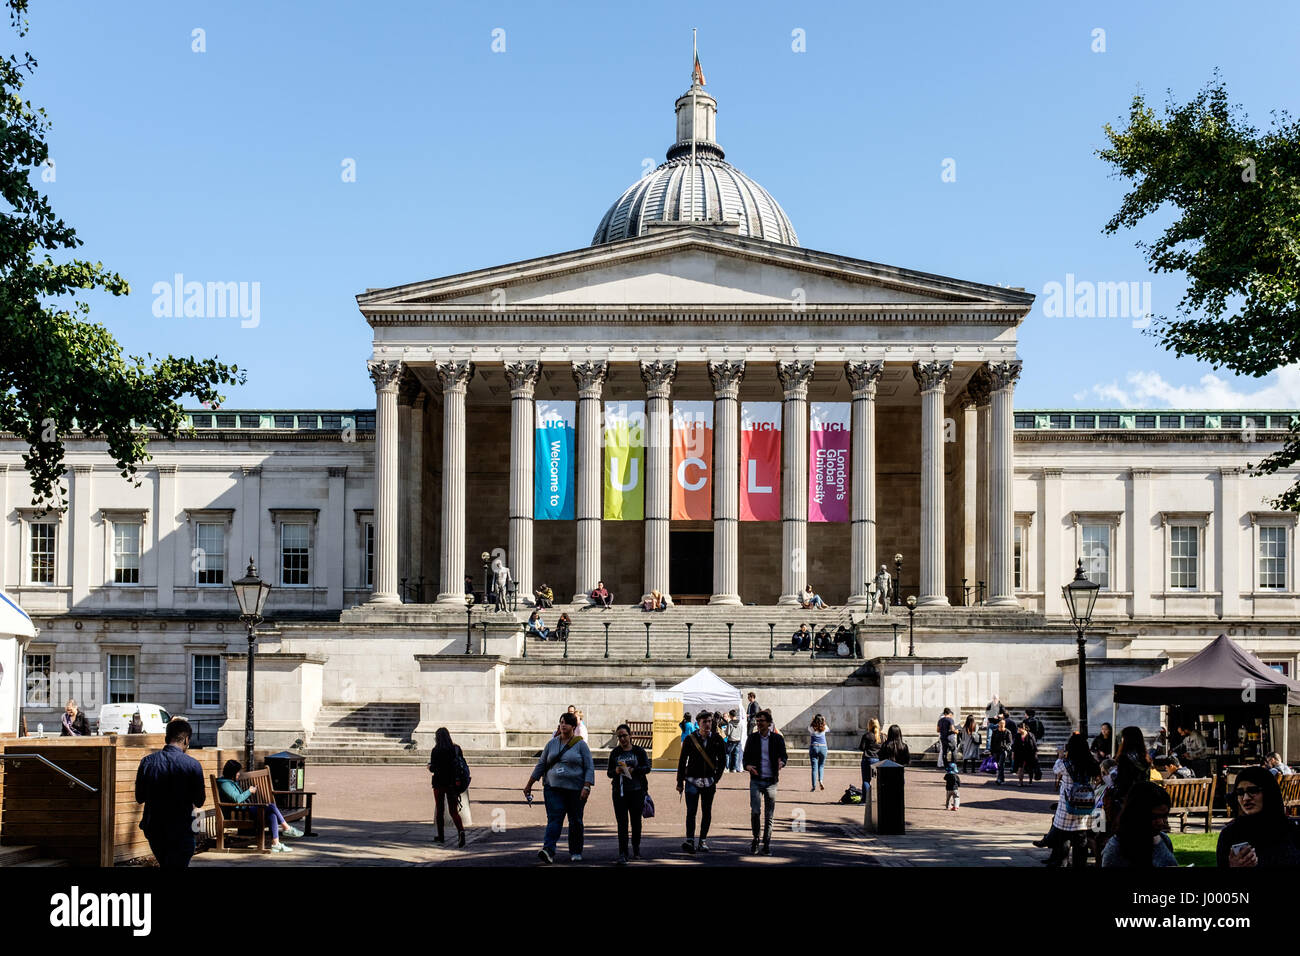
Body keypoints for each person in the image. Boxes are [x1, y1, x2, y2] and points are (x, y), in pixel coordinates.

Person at [134, 718, 205, 869]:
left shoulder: (147, 762)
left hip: (154, 827)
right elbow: (199, 801)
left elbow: (139, 797)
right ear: (186, 740)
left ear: (166, 738)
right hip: (182, 828)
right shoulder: (193, 765)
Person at [525, 712, 595, 864]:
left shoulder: (581, 745)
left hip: (575, 789)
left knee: (575, 820)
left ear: (573, 727)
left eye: (567, 723)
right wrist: (529, 784)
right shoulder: (551, 743)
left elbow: (589, 767)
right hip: (553, 788)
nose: (563, 725)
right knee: (554, 819)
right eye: (561, 722)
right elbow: (541, 764)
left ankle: (576, 850)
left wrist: (587, 786)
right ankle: (548, 850)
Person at [1217, 766, 1300, 867]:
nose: (1246, 798)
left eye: (1253, 790)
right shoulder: (1230, 834)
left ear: (1268, 793)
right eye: (1240, 793)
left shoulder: (1291, 830)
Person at [217, 759, 301, 853]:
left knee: (272, 814)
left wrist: (250, 791)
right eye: (237, 772)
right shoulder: (225, 784)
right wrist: (249, 791)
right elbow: (237, 799)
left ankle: (275, 844)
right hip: (240, 813)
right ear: (232, 773)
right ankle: (286, 828)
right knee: (272, 806)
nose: (239, 774)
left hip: (245, 810)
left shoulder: (230, 782)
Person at [1046, 732, 1101, 868]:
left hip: (1067, 806)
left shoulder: (1065, 763)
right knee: (1081, 840)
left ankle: (1063, 863)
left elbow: (1055, 770)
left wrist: (1060, 756)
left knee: (1064, 838)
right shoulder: (1091, 762)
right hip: (1084, 805)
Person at [676, 710, 726, 853]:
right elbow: (682, 762)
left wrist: (716, 778)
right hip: (692, 780)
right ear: (698, 724)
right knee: (691, 812)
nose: (708, 724)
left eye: (709, 721)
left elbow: (722, 761)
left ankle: (702, 840)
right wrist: (680, 782)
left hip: (709, 782)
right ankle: (690, 840)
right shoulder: (690, 739)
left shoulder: (717, 739)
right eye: (704, 722)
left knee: (707, 812)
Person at [742, 709, 787, 855]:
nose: (759, 723)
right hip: (756, 780)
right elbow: (745, 759)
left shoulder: (777, 739)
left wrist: (782, 762)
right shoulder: (752, 738)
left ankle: (766, 843)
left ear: (769, 723)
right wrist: (747, 766)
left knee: (769, 815)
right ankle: (756, 838)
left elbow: (784, 756)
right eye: (757, 721)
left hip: (771, 781)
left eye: (762, 721)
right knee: (755, 811)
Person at [1102, 782, 1177, 868]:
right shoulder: (1116, 849)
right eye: (1154, 817)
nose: (1161, 822)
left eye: (1164, 816)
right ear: (1136, 815)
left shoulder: (1164, 839)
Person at [608, 724, 650, 864]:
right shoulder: (615, 753)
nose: (622, 739)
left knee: (636, 822)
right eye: (619, 736)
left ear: (630, 735)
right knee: (622, 823)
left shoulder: (639, 751)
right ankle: (623, 853)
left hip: (637, 790)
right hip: (619, 792)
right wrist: (617, 771)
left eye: (624, 735)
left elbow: (647, 768)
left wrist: (634, 770)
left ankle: (636, 847)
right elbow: (609, 773)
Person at [428, 727, 469, 847]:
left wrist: (429, 767)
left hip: (439, 783)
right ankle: (461, 831)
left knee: (440, 811)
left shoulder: (435, 750)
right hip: (452, 783)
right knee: (453, 811)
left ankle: (441, 836)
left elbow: (433, 768)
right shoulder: (456, 749)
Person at [808, 714, 830, 792]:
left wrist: (812, 720)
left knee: (814, 768)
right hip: (823, 747)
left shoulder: (811, 728)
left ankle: (814, 786)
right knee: (821, 766)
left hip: (814, 746)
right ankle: (820, 780)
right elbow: (828, 729)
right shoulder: (824, 728)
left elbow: (809, 727)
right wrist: (824, 721)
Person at [1014, 721, 1039, 787]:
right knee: (1020, 768)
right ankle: (1020, 781)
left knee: (1030, 768)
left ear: (1023, 728)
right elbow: (1014, 745)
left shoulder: (1030, 735)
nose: (1018, 730)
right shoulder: (1017, 736)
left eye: (1019, 728)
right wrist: (1013, 753)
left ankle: (1030, 780)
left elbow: (1034, 745)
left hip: (1029, 754)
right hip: (1020, 754)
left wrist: (1035, 753)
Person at [990, 717, 1013, 785]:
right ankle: (1002, 779)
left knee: (1001, 765)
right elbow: (992, 742)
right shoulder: (995, 731)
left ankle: (999, 779)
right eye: (1000, 723)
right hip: (996, 751)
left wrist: (1006, 747)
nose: (1002, 725)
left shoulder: (1007, 732)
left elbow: (1010, 742)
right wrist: (991, 752)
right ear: (998, 724)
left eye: (1003, 723)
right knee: (998, 765)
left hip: (1003, 751)